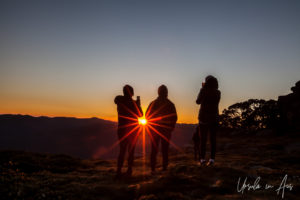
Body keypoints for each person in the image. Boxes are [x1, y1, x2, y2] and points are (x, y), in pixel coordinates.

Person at [146, 85, 177, 173]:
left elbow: (147, 116)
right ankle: (164, 167)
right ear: (166, 92)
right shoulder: (170, 104)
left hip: (154, 130)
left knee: (154, 149)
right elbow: (174, 117)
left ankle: (153, 168)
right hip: (166, 130)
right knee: (165, 149)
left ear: (158, 92)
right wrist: (171, 128)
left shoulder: (153, 103)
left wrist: (150, 128)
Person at [114, 85, 143, 178]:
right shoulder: (133, 103)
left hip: (122, 129)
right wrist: (138, 104)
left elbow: (116, 99)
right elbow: (140, 115)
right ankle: (129, 170)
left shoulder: (120, 101)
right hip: (133, 130)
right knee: (131, 151)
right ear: (131, 93)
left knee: (122, 150)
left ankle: (118, 170)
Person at [196, 75, 221, 166]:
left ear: (206, 83)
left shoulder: (203, 91)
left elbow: (198, 101)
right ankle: (212, 160)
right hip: (214, 118)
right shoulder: (218, 92)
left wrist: (202, 89)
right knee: (213, 140)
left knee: (203, 139)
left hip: (203, 118)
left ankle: (202, 159)